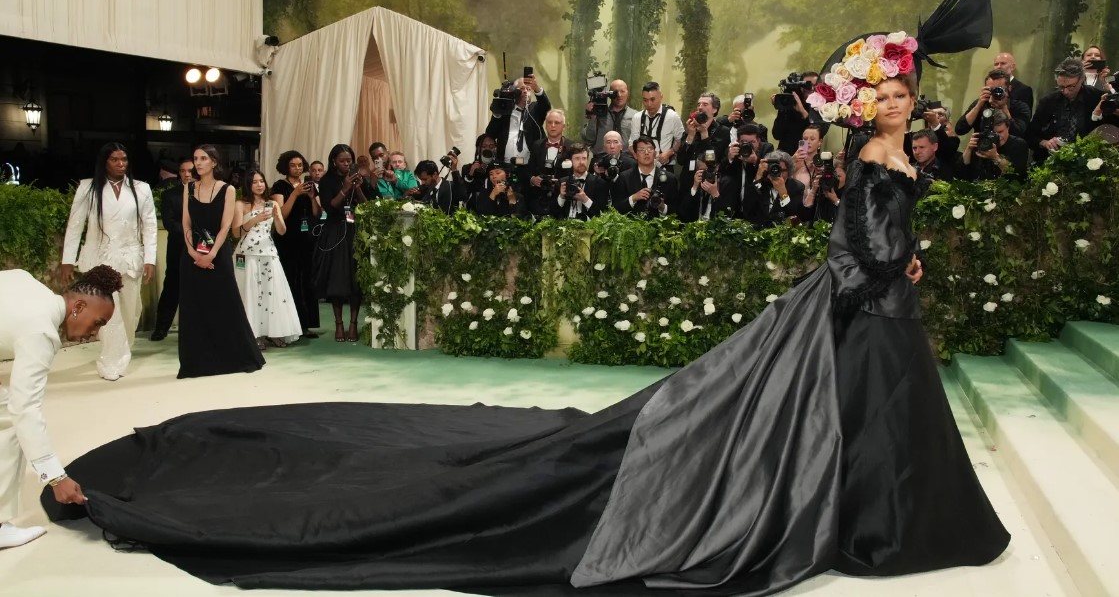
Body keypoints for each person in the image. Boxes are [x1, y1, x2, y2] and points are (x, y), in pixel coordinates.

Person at [42, 32, 1009, 595]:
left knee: (856, 414)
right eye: (886, 95)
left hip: (875, 303)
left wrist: (900, 256)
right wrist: (893, 263)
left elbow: (877, 235)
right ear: (869, 107)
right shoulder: (875, 155)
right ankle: (880, 518)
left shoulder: (891, 155)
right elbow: (860, 239)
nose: (897, 105)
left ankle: (874, 511)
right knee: (854, 413)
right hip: (869, 303)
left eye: (904, 95)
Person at [0, 265, 120, 547]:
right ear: (78, 307)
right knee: (9, 420)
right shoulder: (41, 333)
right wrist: (55, 477)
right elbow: (25, 408)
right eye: (98, 322)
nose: (94, 333)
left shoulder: (26, 281)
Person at [60, 142, 157, 381]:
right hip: (99, 257)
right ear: (104, 162)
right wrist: (67, 260)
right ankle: (111, 361)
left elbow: (150, 226)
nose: (121, 164)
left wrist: (150, 259)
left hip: (130, 257)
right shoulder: (88, 188)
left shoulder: (141, 189)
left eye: (124, 159)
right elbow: (75, 225)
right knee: (109, 312)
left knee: (131, 312)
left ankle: (122, 350)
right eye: (115, 160)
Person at [178, 145, 266, 379]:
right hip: (192, 255)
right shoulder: (188, 188)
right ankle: (197, 362)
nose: (198, 163)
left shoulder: (227, 189)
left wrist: (211, 254)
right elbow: (186, 223)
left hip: (218, 254)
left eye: (203, 158)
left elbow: (226, 226)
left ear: (214, 162)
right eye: (196, 158)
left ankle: (234, 357)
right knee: (194, 308)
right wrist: (193, 253)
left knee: (225, 305)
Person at [234, 170, 303, 350]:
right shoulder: (240, 204)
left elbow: (282, 231)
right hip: (247, 254)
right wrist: (255, 219)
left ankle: (274, 332)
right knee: (251, 293)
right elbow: (235, 232)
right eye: (254, 182)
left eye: (261, 181)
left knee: (272, 292)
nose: (259, 185)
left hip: (269, 252)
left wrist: (277, 216)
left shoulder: (272, 203)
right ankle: (253, 334)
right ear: (247, 184)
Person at [313, 144, 369, 342]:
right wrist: (345, 188)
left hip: (355, 229)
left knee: (355, 279)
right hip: (335, 231)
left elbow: (366, 206)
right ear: (334, 162)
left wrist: (357, 187)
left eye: (349, 160)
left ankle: (353, 323)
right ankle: (338, 323)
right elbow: (330, 207)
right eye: (342, 161)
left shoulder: (357, 178)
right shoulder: (327, 180)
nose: (346, 164)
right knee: (336, 279)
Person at [270, 151, 321, 339]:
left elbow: (317, 213)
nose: (297, 168)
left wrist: (311, 197)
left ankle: (306, 324)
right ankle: (290, 325)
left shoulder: (309, 185)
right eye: (293, 165)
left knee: (307, 280)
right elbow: (281, 214)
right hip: (287, 239)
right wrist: (295, 194)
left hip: (306, 238)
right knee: (290, 279)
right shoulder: (279, 186)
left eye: (300, 165)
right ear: (286, 167)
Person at [151, 157, 194, 341]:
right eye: (183, 171)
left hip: (203, 249)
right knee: (172, 287)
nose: (186, 174)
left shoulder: (207, 193)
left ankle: (198, 329)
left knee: (199, 288)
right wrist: (191, 235)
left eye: (190, 171)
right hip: (178, 248)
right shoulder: (170, 195)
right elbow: (169, 223)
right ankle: (161, 328)